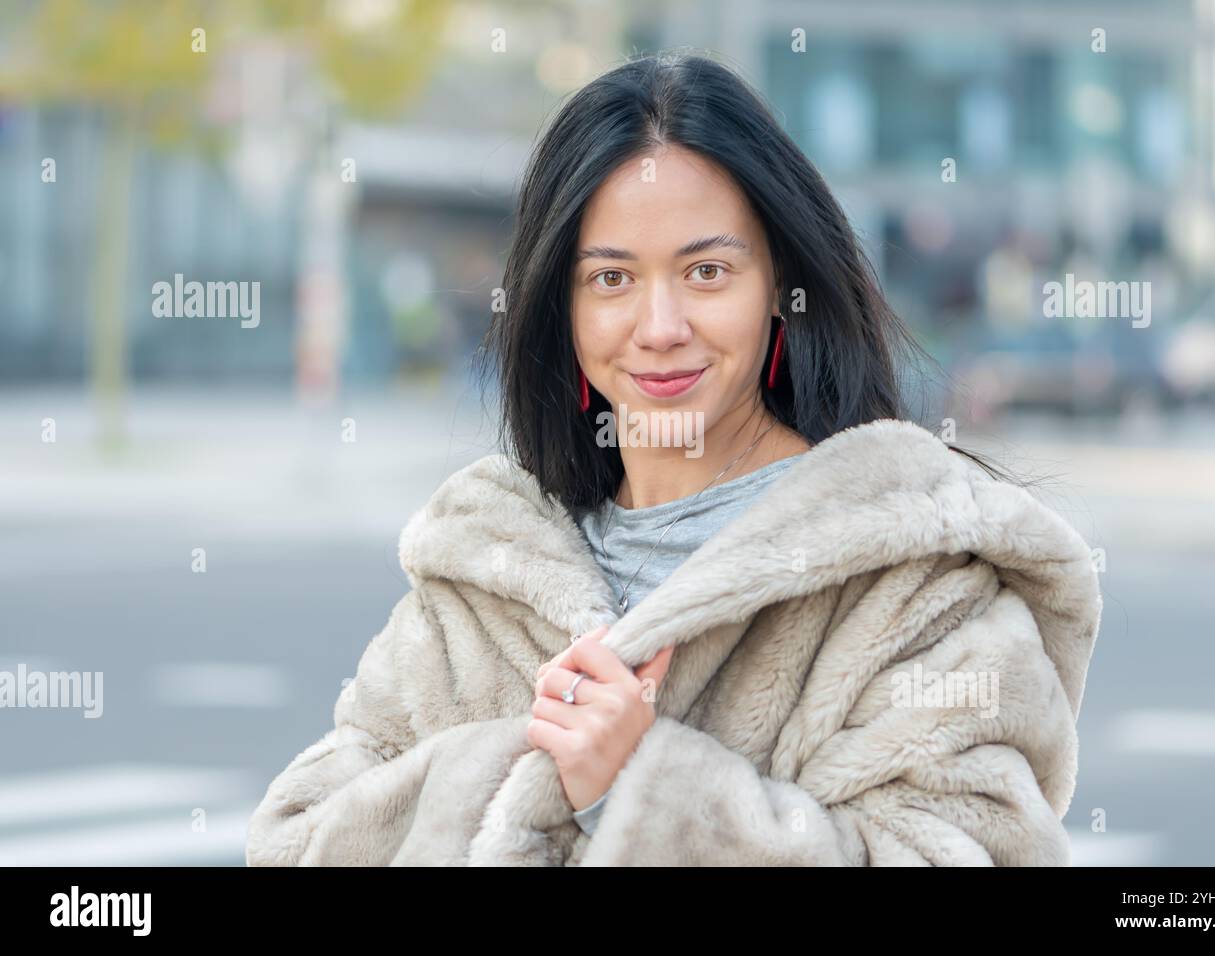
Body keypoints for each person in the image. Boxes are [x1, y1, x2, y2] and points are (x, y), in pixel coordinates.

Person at [245, 51, 1102, 866]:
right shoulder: (485, 576)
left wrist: (641, 792)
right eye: (611, 280)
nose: (659, 327)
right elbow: (295, 841)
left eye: (706, 272)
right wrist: (545, 779)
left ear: (778, 286)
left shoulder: (915, 584)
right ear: (564, 309)